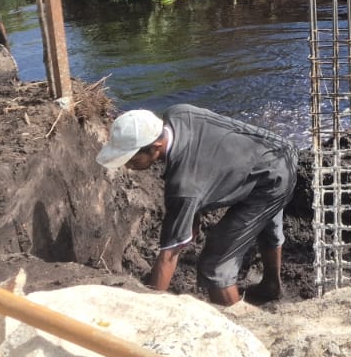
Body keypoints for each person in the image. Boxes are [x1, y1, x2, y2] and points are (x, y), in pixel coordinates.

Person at [97, 104, 297, 306]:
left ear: (156, 146)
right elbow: (205, 153)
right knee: (267, 227)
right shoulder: (178, 113)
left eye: (132, 158)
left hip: (273, 180)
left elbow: (169, 256)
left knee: (215, 264)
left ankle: (236, 327)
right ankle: (271, 287)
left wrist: (150, 307)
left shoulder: (183, 188)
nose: (128, 164)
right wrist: (193, 215)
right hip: (277, 151)